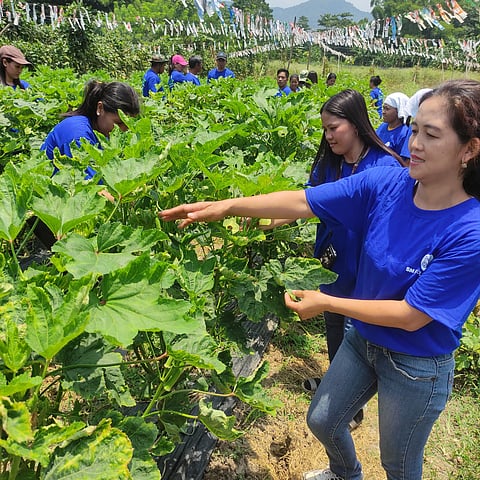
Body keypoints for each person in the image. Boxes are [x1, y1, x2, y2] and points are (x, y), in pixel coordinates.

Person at [159, 79, 480, 480]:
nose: (414, 143)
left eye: (431, 135)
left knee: (398, 464)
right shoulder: (389, 183)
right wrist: (225, 206)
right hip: (364, 339)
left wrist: (327, 302)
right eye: (415, 129)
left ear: (469, 149)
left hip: (416, 363)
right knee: (323, 420)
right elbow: (303, 200)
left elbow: (412, 315)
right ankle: (346, 474)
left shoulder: (471, 230)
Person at [269, 90, 402, 432]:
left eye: (334, 128)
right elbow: (306, 202)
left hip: (363, 271)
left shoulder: (384, 166)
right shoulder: (330, 163)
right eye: (325, 129)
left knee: (352, 334)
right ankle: (337, 390)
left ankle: (350, 408)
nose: (328, 136)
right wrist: (267, 221)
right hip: (329, 263)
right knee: (333, 329)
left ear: (356, 124)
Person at [41, 80, 140, 177]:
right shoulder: (78, 134)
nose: (124, 130)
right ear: (100, 108)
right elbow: (89, 186)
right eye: (119, 123)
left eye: (128, 125)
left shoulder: (100, 131)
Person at [376, 92, 412, 165]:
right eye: (383, 108)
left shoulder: (403, 133)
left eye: (387, 109)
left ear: (398, 111)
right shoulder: (383, 126)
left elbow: (404, 163)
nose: (383, 112)